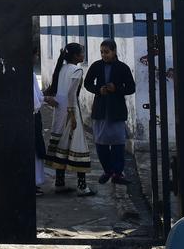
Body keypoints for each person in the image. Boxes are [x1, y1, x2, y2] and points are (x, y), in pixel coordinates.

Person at [44, 42, 94, 196]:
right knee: (78, 145)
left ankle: (59, 183)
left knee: (60, 144)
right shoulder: (77, 69)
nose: (83, 55)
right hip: (70, 111)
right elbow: (72, 94)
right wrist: (73, 115)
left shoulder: (62, 68)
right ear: (75, 56)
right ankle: (82, 186)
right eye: (82, 53)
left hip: (59, 111)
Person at [84, 38, 137, 185]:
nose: (104, 55)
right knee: (101, 143)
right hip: (101, 109)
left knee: (118, 143)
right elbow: (87, 83)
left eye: (106, 52)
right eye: (102, 52)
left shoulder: (122, 68)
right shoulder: (96, 66)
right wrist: (98, 90)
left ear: (114, 51)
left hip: (116, 110)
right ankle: (107, 170)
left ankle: (117, 174)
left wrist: (117, 89)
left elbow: (131, 88)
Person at [33, 46, 47, 195]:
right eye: (36, 54)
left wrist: (44, 98)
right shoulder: (29, 75)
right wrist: (44, 100)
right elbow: (36, 101)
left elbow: (39, 97)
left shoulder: (31, 74)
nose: (37, 57)